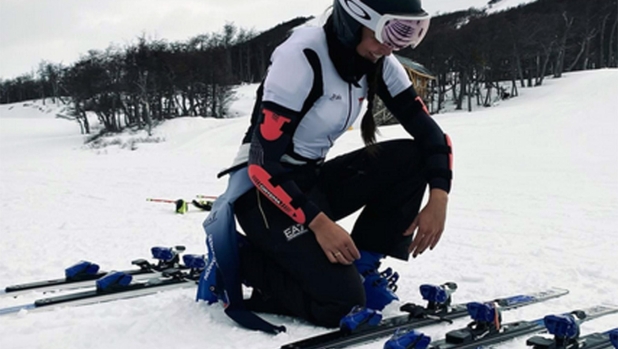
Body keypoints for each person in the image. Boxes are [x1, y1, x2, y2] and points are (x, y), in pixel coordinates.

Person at [196, 0, 453, 334]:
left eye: (410, 33)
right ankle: (243, 259)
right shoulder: (302, 56)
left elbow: (432, 136)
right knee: (341, 305)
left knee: (413, 158)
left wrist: (439, 197)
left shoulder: (378, 59)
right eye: (392, 30)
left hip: (309, 179)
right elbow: (262, 166)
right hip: (261, 191)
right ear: (356, 19)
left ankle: (362, 267)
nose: (394, 44)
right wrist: (319, 224)